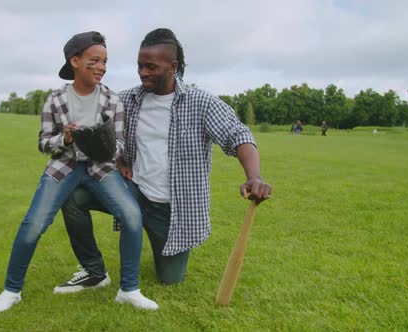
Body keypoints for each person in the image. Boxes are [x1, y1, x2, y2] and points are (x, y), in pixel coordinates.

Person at [56, 28, 272, 288]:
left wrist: (254, 176)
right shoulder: (128, 100)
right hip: (133, 194)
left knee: (170, 279)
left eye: (151, 67)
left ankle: (160, 249)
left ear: (173, 66)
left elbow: (238, 135)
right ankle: (94, 270)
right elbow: (103, 133)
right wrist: (120, 159)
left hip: (172, 210)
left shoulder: (201, 103)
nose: (143, 72)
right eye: (139, 66)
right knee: (71, 195)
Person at [0, 31, 158, 313]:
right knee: (33, 224)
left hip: (100, 168)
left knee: (131, 215)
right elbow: (43, 143)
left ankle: (129, 290)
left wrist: (101, 144)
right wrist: (65, 139)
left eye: (105, 61)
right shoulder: (55, 100)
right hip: (62, 168)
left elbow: (119, 144)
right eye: (94, 60)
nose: (102, 67)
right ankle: (11, 290)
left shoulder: (113, 100)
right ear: (75, 61)